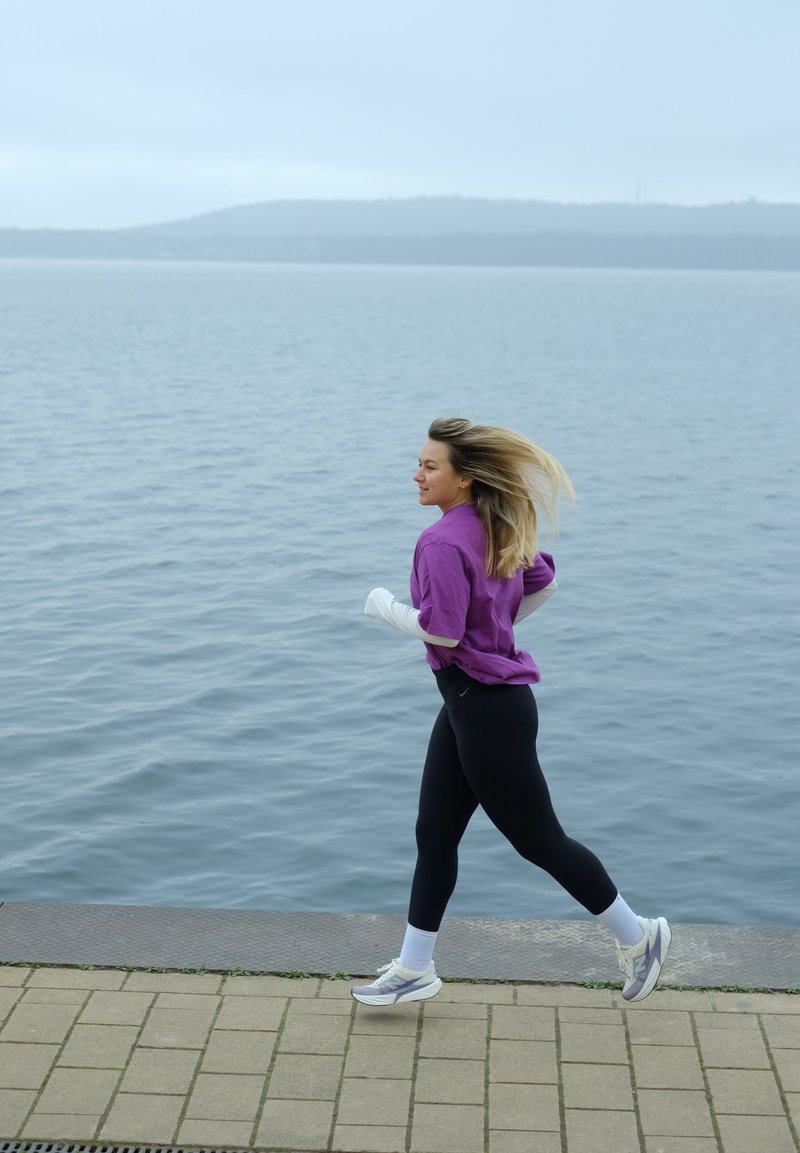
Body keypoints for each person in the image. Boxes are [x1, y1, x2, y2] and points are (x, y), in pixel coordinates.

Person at [351, 417, 670, 1007]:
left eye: (430, 466)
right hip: (477, 704)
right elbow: (543, 583)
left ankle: (638, 934)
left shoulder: (441, 540)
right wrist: (493, 629)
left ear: (464, 478)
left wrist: (384, 607)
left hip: (487, 709)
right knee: (435, 833)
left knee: (539, 840)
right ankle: (416, 967)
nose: (416, 473)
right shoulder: (494, 526)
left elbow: (442, 632)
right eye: (419, 463)